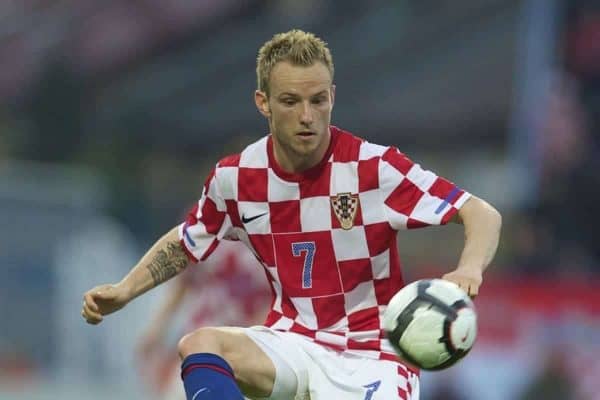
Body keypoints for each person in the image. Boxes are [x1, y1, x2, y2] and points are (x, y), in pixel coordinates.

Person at [81, 29, 502, 400]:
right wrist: (124, 290)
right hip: (291, 343)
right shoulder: (237, 178)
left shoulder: (373, 168)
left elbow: (481, 213)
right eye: (290, 101)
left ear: (332, 97)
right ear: (263, 103)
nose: (307, 116)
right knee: (201, 344)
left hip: (373, 354)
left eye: (318, 100)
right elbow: (187, 241)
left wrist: (470, 268)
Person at [136, 239, 269, 399]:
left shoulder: (276, 235)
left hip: (244, 348)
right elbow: (183, 280)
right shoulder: (209, 222)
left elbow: (277, 301)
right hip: (199, 338)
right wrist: (156, 330)